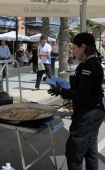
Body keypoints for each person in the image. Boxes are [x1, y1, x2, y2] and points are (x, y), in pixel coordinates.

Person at [48, 33, 105, 170]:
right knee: (90, 151)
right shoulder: (88, 63)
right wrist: (63, 87)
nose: (72, 52)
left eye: (74, 48)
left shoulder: (90, 65)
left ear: (83, 47)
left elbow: (82, 94)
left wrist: (61, 92)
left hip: (88, 114)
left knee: (74, 154)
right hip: (92, 111)